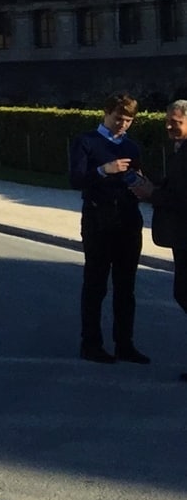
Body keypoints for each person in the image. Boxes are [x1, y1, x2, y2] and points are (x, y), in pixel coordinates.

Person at [68, 93, 152, 365]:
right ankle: (90, 343)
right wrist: (104, 170)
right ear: (106, 113)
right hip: (97, 219)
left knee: (126, 287)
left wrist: (141, 185)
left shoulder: (132, 147)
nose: (122, 125)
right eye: (119, 119)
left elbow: (137, 179)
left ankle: (124, 344)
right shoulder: (86, 142)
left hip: (127, 220)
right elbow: (76, 179)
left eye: (128, 121)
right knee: (96, 284)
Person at [147, 99, 187, 381]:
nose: (171, 126)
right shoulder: (179, 149)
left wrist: (152, 194)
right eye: (168, 121)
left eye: (177, 121)